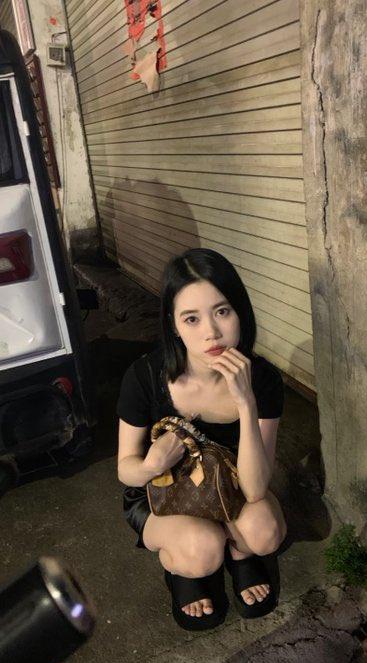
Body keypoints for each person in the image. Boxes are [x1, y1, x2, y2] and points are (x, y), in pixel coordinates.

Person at [116, 248, 287, 631]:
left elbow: (255, 489)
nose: (211, 332)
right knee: (201, 550)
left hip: (231, 488)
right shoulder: (144, 377)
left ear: (241, 312)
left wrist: (246, 402)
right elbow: (125, 471)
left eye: (222, 311)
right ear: (174, 326)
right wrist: (152, 464)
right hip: (162, 495)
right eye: (191, 318)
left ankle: (240, 555)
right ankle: (186, 568)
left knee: (265, 532)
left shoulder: (262, 380)